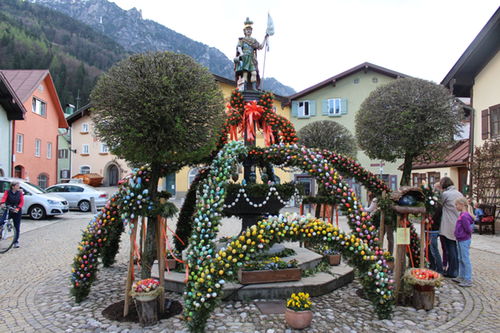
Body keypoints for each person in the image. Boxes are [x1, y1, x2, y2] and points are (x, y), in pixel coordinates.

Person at [439, 177, 464, 278]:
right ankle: (454, 270)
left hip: (448, 223)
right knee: (453, 247)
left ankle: (453, 271)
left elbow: (439, 204)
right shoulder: (458, 193)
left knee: (450, 248)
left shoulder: (446, 194)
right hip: (457, 223)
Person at [234, 17, 268, 91]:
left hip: (252, 58)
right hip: (245, 57)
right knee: (245, 74)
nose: (248, 31)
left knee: (254, 73)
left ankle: (254, 88)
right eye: (247, 30)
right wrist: (242, 53)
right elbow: (239, 47)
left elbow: (260, 47)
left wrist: (265, 39)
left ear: (251, 31)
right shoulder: (242, 40)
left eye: (250, 30)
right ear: (245, 31)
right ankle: (245, 88)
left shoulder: (253, 40)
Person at [453, 197, 474, 287]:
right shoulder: (462, 214)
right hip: (460, 239)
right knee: (460, 258)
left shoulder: (464, 216)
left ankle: (468, 278)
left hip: (464, 240)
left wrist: (462, 234)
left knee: (465, 259)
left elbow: (468, 229)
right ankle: (461, 276)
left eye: (456, 205)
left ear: (461, 205)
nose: (456, 206)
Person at [0, 181, 24, 248]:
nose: (18, 187)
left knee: (17, 226)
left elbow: (22, 202)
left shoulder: (20, 193)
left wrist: (18, 208)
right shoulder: (7, 192)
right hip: (8, 209)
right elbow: (4, 198)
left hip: (17, 211)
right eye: (17, 185)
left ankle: (16, 242)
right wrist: (2, 203)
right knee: (1, 221)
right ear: (13, 186)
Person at [427, 202, 444, 274]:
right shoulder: (436, 205)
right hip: (431, 230)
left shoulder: (437, 207)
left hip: (433, 230)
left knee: (434, 250)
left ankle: (439, 269)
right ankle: (433, 266)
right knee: (430, 249)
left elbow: (433, 218)